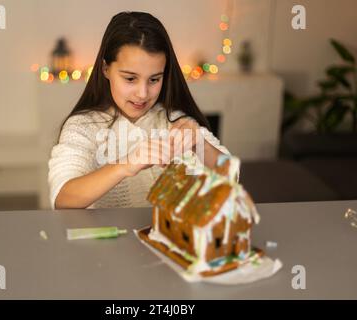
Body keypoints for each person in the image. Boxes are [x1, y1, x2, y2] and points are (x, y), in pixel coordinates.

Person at [48, 11, 232, 210]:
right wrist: (126, 165)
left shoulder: (175, 120)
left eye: (154, 79)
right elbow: (62, 198)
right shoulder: (83, 127)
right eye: (130, 79)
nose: (143, 94)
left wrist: (200, 145)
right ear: (105, 69)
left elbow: (230, 179)